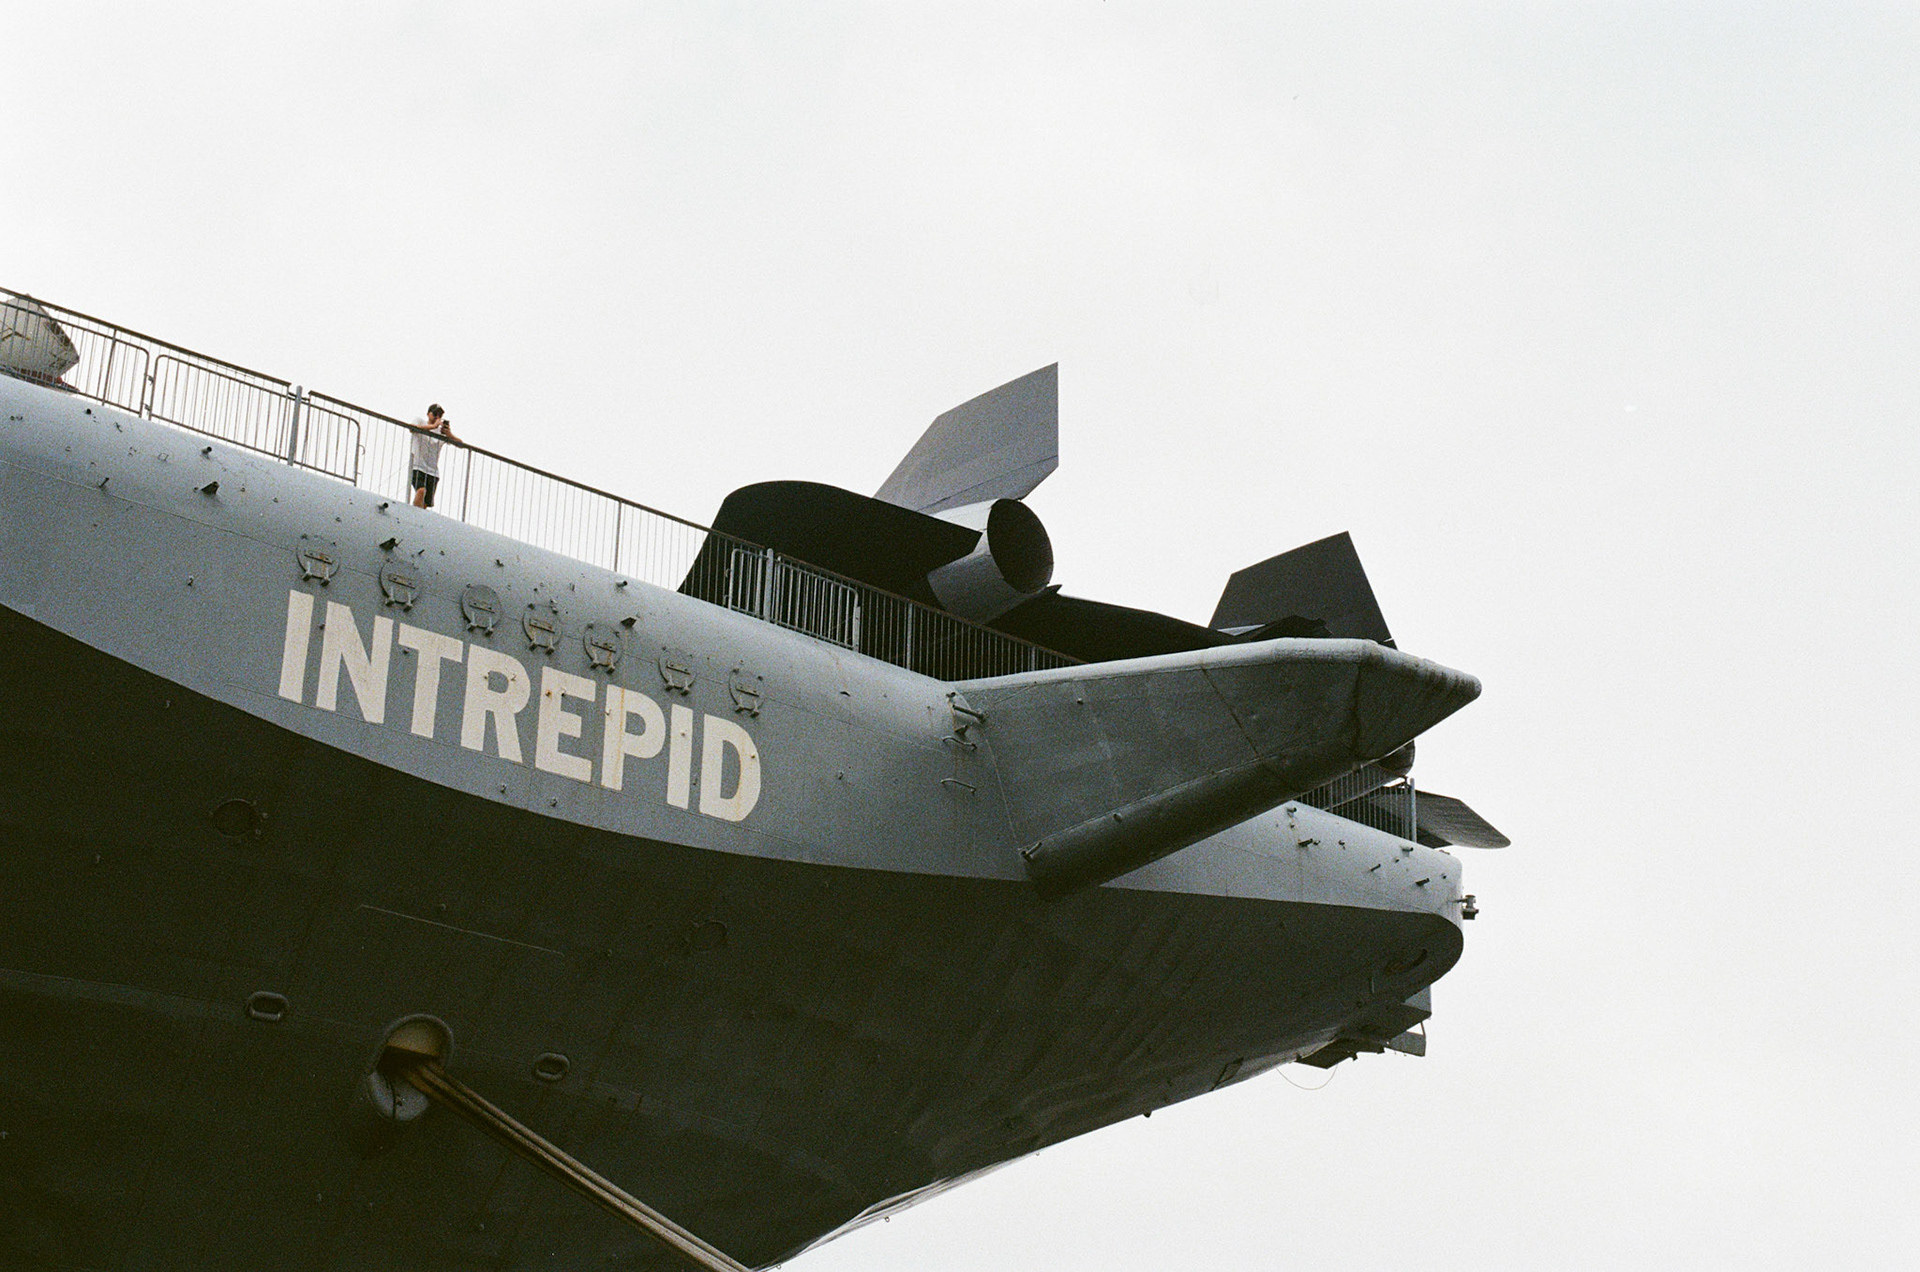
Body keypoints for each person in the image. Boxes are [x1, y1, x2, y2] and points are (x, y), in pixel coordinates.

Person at [408, 404, 458, 508]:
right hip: (418, 466)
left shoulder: (441, 433)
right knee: (421, 491)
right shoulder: (420, 421)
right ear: (428, 414)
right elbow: (412, 428)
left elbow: (460, 444)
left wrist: (449, 434)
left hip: (433, 471)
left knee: (426, 503)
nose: (437, 417)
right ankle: (414, 514)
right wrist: (433, 426)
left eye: (440, 415)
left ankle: (420, 516)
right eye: (435, 414)